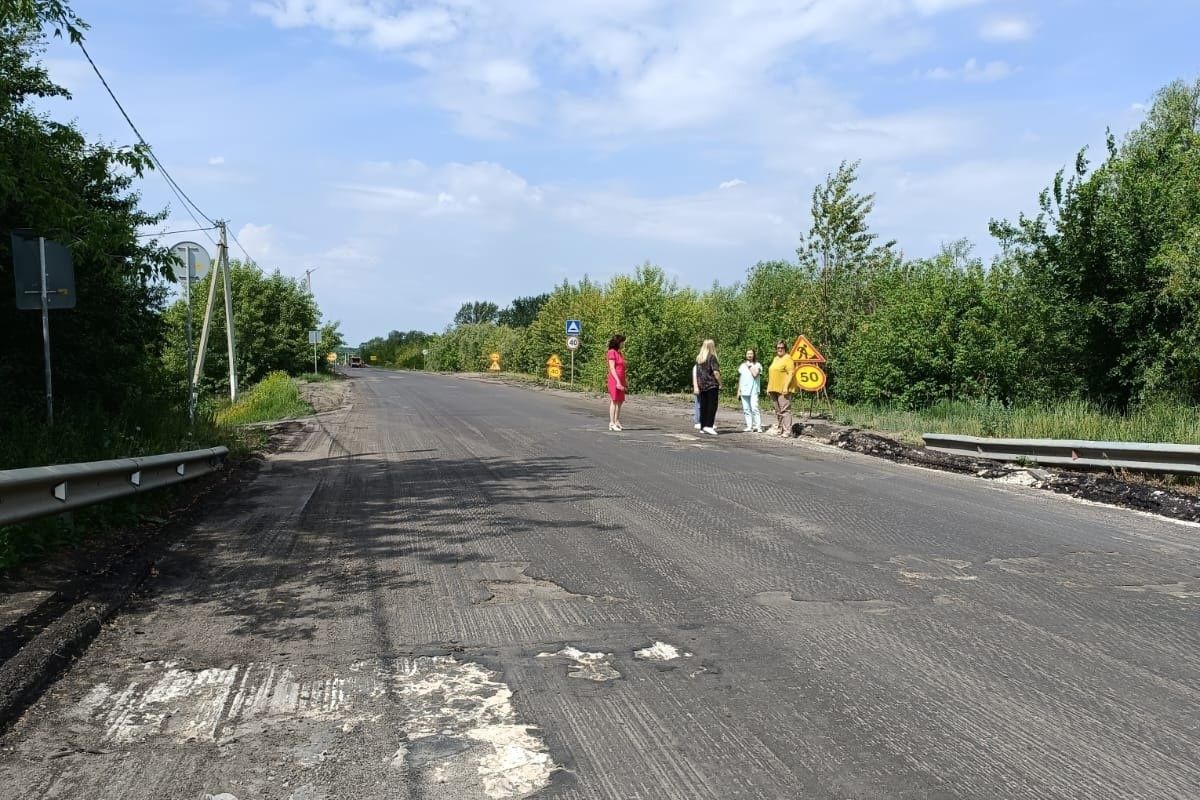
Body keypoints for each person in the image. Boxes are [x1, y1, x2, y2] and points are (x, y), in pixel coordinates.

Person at [767, 340, 795, 437]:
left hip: (783, 388)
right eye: (778, 348)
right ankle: (781, 428)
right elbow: (772, 373)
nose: (780, 349)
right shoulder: (775, 359)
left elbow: (791, 373)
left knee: (785, 409)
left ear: (785, 348)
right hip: (773, 388)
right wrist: (768, 387)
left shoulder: (788, 358)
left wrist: (786, 386)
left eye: (782, 348)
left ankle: (787, 430)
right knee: (777, 410)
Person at [695, 339, 720, 435]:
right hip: (711, 384)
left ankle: (702, 426)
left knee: (703, 406)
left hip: (702, 385)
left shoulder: (699, 358)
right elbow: (716, 372)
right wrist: (720, 383)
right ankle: (709, 426)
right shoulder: (712, 357)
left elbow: (697, 373)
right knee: (712, 406)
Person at [738, 348, 763, 432]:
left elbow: (755, 374)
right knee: (746, 409)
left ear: (754, 355)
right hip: (744, 389)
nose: (749, 355)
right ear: (745, 355)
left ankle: (758, 426)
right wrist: (738, 391)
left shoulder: (758, 365)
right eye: (748, 353)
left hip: (754, 390)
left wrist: (750, 366)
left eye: (751, 353)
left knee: (754, 407)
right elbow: (741, 378)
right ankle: (749, 426)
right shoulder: (742, 365)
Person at [606, 334, 627, 431]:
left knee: (620, 400)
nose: (623, 344)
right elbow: (612, 368)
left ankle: (616, 420)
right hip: (614, 379)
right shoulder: (611, 352)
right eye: (622, 342)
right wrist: (618, 382)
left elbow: (622, 368)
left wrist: (624, 382)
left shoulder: (619, 353)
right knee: (614, 400)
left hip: (621, 379)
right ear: (618, 342)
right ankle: (611, 422)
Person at [691, 364, 701, 430]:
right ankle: (697, 421)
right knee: (698, 404)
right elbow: (694, 377)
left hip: (706, 386)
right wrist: (696, 387)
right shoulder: (696, 366)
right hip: (700, 386)